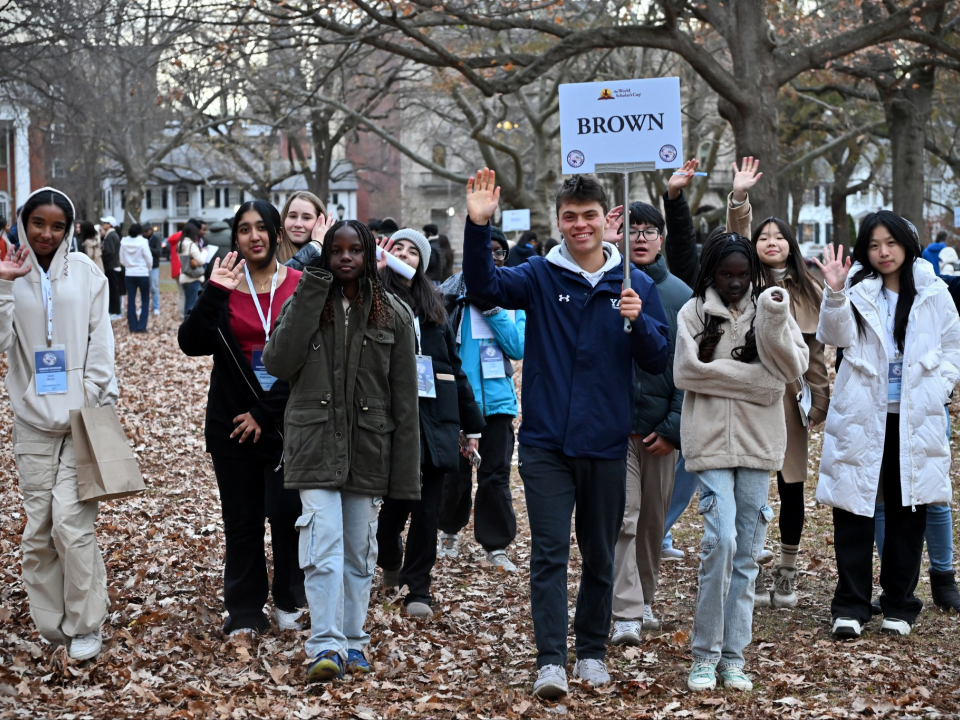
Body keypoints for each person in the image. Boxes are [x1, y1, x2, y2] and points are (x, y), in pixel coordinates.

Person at [462, 168, 669, 699]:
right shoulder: (539, 275)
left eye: (589, 215)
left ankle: (592, 651)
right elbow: (484, 287)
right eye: (570, 216)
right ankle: (551, 660)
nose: (581, 225)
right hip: (546, 443)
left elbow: (658, 358)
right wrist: (478, 226)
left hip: (606, 443)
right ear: (559, 221)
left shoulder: (635, 283)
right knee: (550, 554)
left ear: (605, 219)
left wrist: (640, 321)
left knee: (600, 555)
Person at [262, 220, 420, 682]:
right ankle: (324, 645)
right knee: (321, 545)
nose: (345, 258)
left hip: (368, 447)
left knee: (359, 553)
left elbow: (405, 400)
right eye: (335, 250)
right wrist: (312, 286)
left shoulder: (394, 314)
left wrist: (405, 478)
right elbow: (277, 361)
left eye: (355, 250)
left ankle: (354, 642)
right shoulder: (306, 300)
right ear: (325, 255)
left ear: (370, 256)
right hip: (313, 445)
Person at [813, 212, 960, 640]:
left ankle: (900, 603)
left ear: (907, 245)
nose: (883, 252)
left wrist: (940, 387)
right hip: (862, 413)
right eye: (875, 245)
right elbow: (833, 337)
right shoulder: (857, 287)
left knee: (907, 511)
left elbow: (952, 345)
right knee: (853, 509)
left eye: (891, 243)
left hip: (915, 416)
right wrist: (835, 292)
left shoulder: (933, 290)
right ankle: (850, 605)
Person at [674, 233, 809, 692]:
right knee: (722, 541)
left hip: (758, 443)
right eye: (725, 274)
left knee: (748, 552)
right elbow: (686, 372)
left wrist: (772, 321)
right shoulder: (692, 312)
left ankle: (733, 657)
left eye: (742, 274)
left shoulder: (771, 307)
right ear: (710, 272)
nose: (734, 282)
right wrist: (756, 382)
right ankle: (704, 655)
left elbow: (789, 372)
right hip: (708, 442)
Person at [178, 200, 306, 638]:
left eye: (261, 227)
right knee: (242, 519)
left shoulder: (301, 286)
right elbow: (191, 343)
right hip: (231, 422)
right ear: (236, 237)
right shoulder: (224, 284)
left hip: (286, 421)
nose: (254, 236)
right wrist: (213, 292)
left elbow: (310, 359)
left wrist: (263, 413)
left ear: (276, 234)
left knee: (288, 514)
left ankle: (290, 598)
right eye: (245, 229)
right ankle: (246, 609)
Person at [0, 188, 118, 661]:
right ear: (23, 223)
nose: (46, 234)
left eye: (57, 226)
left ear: (69, 229)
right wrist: (5, 285)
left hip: (81, 420)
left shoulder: (87, 272)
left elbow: (101, 339)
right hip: (32, 422)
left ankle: (86, 622)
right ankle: (52, 625)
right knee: (39, 531)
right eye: (38, 223)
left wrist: (91, 394)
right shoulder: (8, 272)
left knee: (71, 523)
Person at [376, 228, 485, 618]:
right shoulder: (375, 297)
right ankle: (389, 556)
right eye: (399, 248)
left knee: (426, 511)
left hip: (436, 422)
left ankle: (418, 588)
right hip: (394, 422)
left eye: (413, 251)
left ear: (423, 262)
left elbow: (454, 368)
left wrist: (472, 426)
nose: (405, 255)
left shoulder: (436, 307)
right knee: (393, 509)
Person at [601, 199, 692, 646]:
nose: (639, 238)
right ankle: (626, 610)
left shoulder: (680, 295)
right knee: (625, 518)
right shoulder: (604, 284)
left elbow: (689, 365)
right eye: (632, 230)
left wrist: (674, 425)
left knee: (654, 523)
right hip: (616, 427)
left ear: (661, 239)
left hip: (660, 430)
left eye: (648, 231)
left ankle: (646, 598)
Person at [438, 226, 525, 572]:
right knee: (455, 475)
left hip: (499, 404)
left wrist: (493, 310)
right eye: (485, 250)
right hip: (458, 402)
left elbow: (517, 347)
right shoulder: (450, 295)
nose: (492, 257)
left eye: (499, 252)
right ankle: (448, 531)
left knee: (495, 475)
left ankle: (496, 545)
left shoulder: (515, 296)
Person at [120, 223, 153, 333]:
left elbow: (122, 259)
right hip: (142, 273)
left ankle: (132, 326)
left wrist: (128, 265)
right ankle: (142, 326)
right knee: (145, 300)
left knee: (131, 300)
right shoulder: (143, 242)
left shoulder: (124, 242)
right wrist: (148, 268)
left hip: (129, 273)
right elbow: (148, 258)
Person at [177, 224, 205, 317]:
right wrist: (205, 252)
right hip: (192, 277)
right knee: (192, 304)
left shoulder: (180, 243)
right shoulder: (191, 245)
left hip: (184, 275)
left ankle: (186, 321)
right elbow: (201, 261)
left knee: (188, 302)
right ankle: (188, 323)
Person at [99, 216, 123, 320]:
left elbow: (110, 251)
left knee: (113, 291)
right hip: (114, 265)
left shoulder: (110, 236)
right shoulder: (113, 235)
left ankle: (115, 311)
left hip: (111, 266)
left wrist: (102, 257)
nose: (103, 224)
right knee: (114, 290)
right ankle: (115, 311)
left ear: (110, 225)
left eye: (105, 223)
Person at [143, 224, 162, 316]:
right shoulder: (142, 239)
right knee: (144, 288)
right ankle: (144, 307)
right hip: (143, 267)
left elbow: (158, 252)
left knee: (154, 288)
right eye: (143, 232)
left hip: (154, 267)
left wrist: (147, 248)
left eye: (146, 232)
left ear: (150, 231)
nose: (145, 234)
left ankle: (155, 307)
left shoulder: (156, 239)